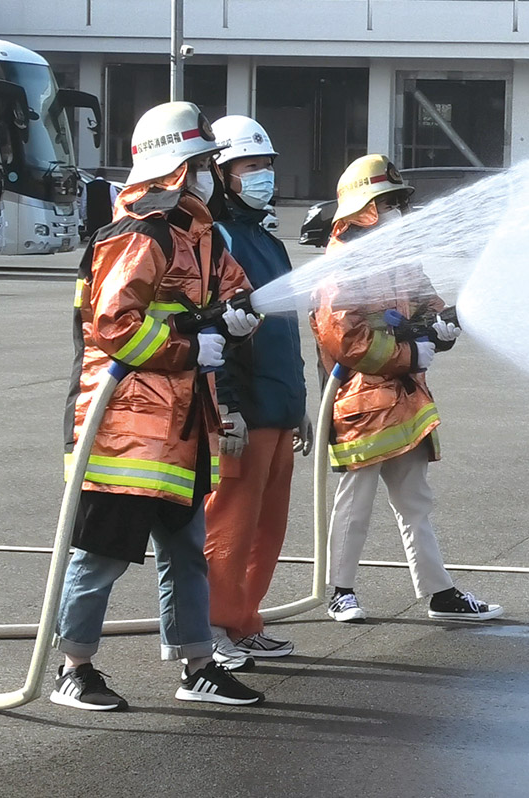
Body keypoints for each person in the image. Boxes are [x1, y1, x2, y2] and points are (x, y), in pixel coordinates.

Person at [53, 101, 265, 711]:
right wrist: (189, 344)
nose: (208, 172)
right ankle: (75, 668)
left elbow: (231, 288)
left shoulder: (194, 235)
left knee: (185, 551)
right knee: (103, 556)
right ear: (174, 166)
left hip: (180, 424)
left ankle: (198, 664)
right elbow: (115, 326)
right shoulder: (137, 235)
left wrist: (239, 315)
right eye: (200, 162)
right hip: (125, 424)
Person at [310, 154, 504, 624]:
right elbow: (346, 338)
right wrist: (410, 355)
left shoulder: (397, 255)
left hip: (404, 402)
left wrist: (440, 326)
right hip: (358, 405)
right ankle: (341, 592)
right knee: (354, 505)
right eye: (387, 202)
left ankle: (439, 593)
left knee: (417, 501)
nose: (396, 211)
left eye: (398, 202)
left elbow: (424, 303)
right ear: (364, 208)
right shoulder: (343, 265)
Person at [202, 114, 313, 670]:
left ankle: (245, 620)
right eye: (252, 166)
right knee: (228, 523)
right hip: (243, 412)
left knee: (267, 527)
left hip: (279, 405)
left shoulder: (266, 240)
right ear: (222, 175)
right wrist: (227, 406)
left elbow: (285, 327)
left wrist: (301, 402)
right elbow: (215, 331)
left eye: (268, 165)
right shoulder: (216, 237)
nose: (264, 175)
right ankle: (213, 628)